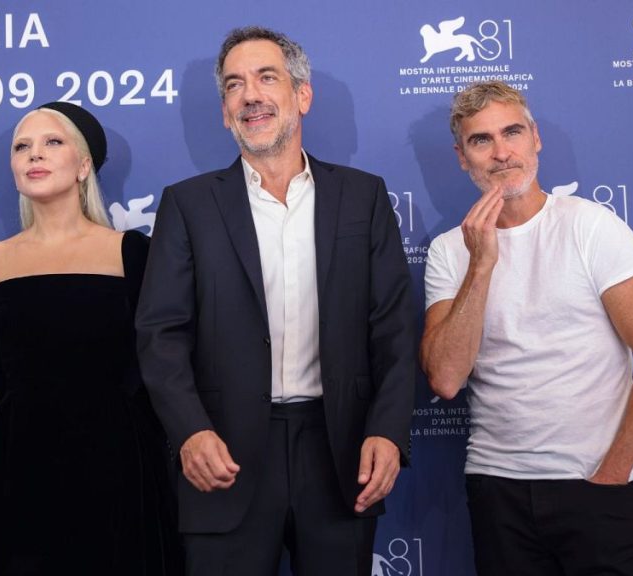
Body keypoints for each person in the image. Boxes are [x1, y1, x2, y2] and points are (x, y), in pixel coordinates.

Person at [135, 26, 415, 576]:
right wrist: (190, 430)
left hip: (339, 454)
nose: (251, 95)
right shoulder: (187, 205)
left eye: (267, 78)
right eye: (235, 86)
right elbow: (160, 334)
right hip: (223, 454)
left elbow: (394, 329)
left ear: (301, 95)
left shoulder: (363, 196)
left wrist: (387, 430)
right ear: (225, 112)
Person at [420, 81, 633, 576]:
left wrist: (614, 473)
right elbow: (447, 378)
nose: (501, 153)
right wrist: (481, 267)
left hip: (598, 485)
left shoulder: (591, 227)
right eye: (481, 141)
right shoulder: (450, 251)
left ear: (535, 138)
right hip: (497, 488)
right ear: (461, 157)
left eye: (512, 132)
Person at [0, 102, 182, 575]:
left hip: (118, 466)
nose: (35, 155)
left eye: (53, 142)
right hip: (19, 465)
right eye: (22, 147)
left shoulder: (130, 252)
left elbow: (155, 361)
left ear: (84, 164)